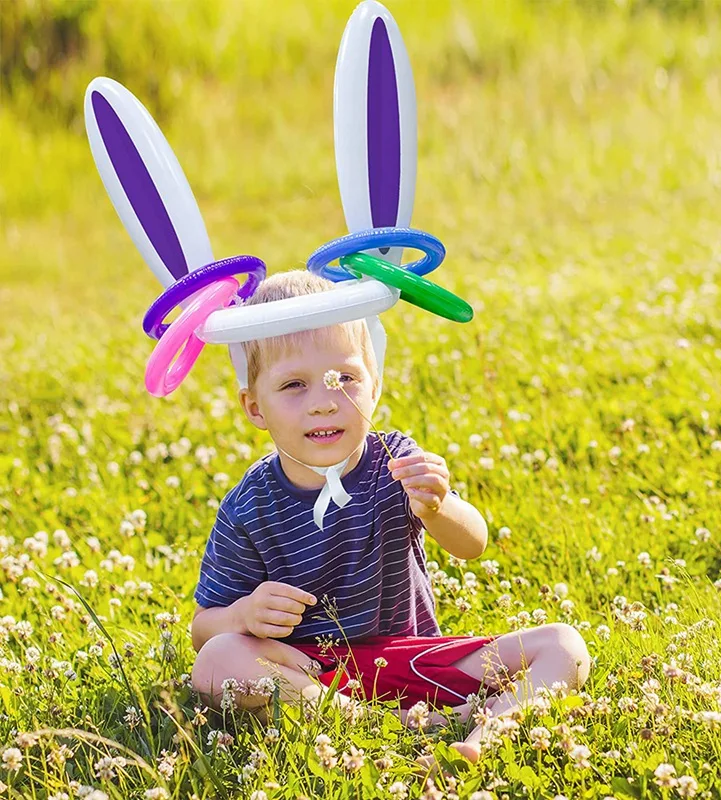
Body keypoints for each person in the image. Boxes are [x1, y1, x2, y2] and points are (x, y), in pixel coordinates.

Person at [191, 270, 590, 767]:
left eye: (346, 379)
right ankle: (388, 727)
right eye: (293, 385)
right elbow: (204, 630)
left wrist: (440, 507)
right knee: (217, 662)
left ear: (374, 386)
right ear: (254, 407)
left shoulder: (393, 460)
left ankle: (487, 730)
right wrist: (243, 615)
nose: (323, 401)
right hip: (312, 676)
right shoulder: (249, 507)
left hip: (416, 659)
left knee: (563, 645)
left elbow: (473, 545)